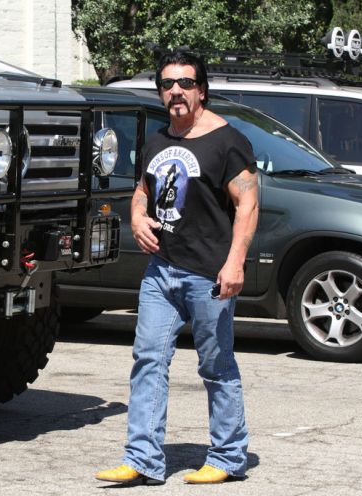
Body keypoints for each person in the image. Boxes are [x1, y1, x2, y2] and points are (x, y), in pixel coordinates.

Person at [95, 51, 259, 485]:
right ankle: (143, 460)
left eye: (185, 83)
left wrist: (235, 264)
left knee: (216, 366)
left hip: (209, 274)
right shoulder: (158, 140)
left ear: (201, 90)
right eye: (168, 84)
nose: (176, 91)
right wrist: (136, 217)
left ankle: (228, 457)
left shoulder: (227, 141)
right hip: (161, 270)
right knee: (148, 360)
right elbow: (142, 191)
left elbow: (248, 205)